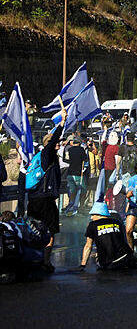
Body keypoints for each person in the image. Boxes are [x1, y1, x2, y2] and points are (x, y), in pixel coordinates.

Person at [26, 115, 65, 273]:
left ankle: (36, 258)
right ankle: (45, 261)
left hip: (35, 199)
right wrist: (61, 123)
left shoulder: (42, 157)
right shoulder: (46, 155)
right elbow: (53, 139)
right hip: (45, 200)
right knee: (49, 231)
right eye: (57, 142)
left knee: (35, 230)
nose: (59, 144)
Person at [80, 202, 137, 270]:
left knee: (100, 263)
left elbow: (88, 246)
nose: (91, 217)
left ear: (99, 214)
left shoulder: (92, 225)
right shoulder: (117, 222)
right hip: (127, 257)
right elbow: (122, 241)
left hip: (110, 263)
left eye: (92, 215)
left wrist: (83, 265)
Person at [63, 138, 88, 216]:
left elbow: (65, 160)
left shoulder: (69, 150)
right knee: (83, 189)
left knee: (72, 190)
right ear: (79, 143)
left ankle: (71, 204)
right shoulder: (81, 150)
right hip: (78, 173)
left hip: (70, 173)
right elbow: (85, 159)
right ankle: (80, 206)